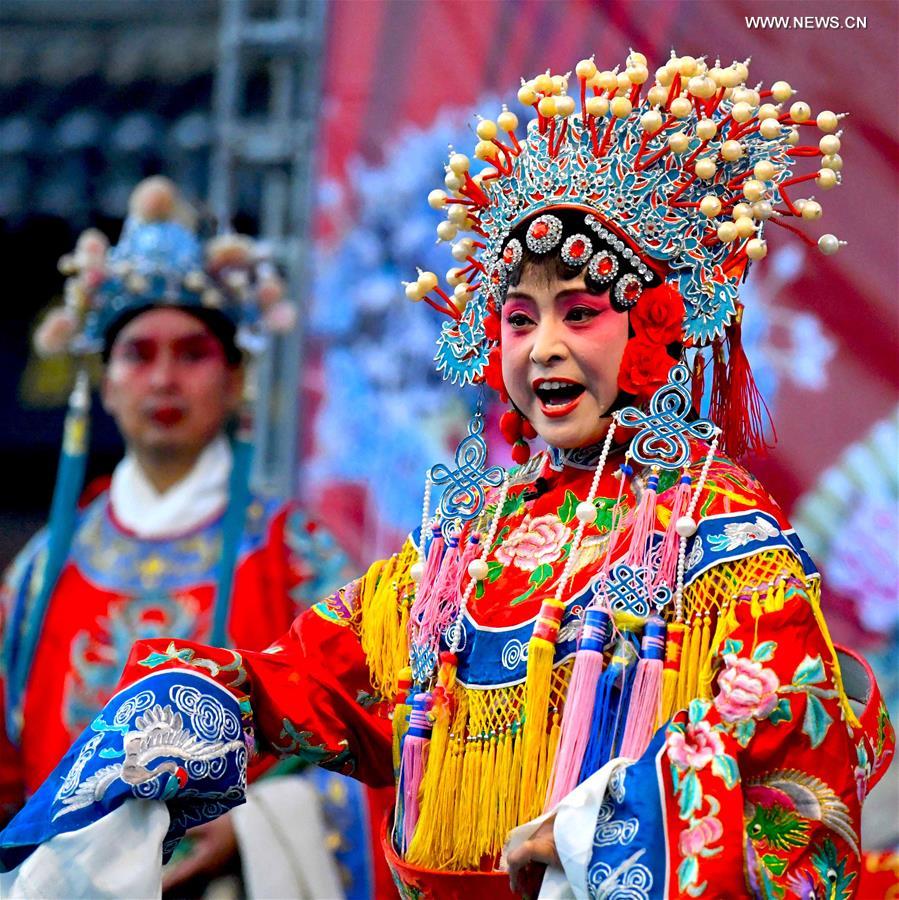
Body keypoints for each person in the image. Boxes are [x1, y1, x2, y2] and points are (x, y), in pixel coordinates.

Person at [1, 53, 894, 899]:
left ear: (654, 328)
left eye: (579, 313)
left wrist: (603, 832)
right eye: (517, 318)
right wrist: (182, 714)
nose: (542, 346)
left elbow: (796, 778)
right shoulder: (465, 544)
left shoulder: (719, 533)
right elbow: (308, 681)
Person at [0, 178, 382, 898]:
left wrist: (257, 826)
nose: (164, 379)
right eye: (138, 354)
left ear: (237, 377)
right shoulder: (41, 571)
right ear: (104, 383)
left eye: (193, 352)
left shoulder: (297, 556)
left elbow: (386, 744)